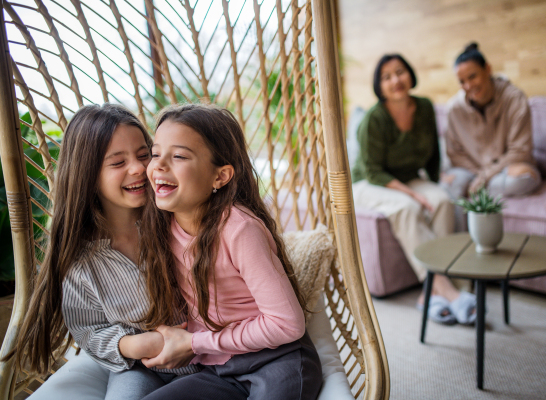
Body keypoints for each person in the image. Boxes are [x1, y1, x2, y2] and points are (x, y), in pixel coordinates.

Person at [4, 104, 200, 400]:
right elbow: (89, 330)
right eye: (118, 162)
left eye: (144, 155)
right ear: (88, 175)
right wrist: (135, 346)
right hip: (141, 367)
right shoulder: (81, 263)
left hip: (207, 356)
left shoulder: (176, 221)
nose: (137, 168)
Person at [137, 103, 323, 400]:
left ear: (220, 176)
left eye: (179, 156)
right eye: (156, 153)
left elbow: (287, 324)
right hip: (219, 370)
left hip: (277, 361)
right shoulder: (160, 226)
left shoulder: (239, 230)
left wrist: (196, 342)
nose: (158, 165)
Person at [351, 54, 475, 325]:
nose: (395, 80)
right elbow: (372, 170)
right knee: (407, 207)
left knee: (442, 200)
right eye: (386, 77)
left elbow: (431, 157)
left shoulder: (425, 107)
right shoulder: (374, 119)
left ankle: (431, 294)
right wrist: (414, 195)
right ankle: (447, 289)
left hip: (408, 177)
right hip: (369, 183)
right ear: (379, 85)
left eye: (400, 72)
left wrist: (433, 183)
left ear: (410, 74)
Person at [442, 42, 541, 206]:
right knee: (450, 183)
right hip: (472, 172)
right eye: (462, 81)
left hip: (505, 171)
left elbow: (520, 151)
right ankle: (461, 231)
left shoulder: (514, 98)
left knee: (523, 177)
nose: (468, 86)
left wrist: (485, 177)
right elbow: (455, 154)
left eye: (472, 76)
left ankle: (478, 198)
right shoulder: (454, 109)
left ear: (487, 69)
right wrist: (478, 175)